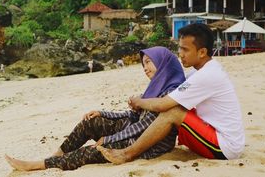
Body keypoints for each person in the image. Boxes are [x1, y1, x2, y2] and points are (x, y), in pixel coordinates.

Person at [4, 46, 185, 171]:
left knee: (92, 150)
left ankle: (36, 165)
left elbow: (144, 126)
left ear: (162, 63)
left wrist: (109, 138)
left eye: (149, 62)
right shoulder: (156, 86)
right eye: (143, 63)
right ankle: (56, 157)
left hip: (147, 146)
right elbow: (133, 116)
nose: (145, 68)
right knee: (91, 121)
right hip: (133, 132)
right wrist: (102, 113)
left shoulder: (170, 92)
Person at [97, 23, 245, 164]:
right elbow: (173, 92)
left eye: (185, 50)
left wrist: (139, 101)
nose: (180, 54)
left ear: (202, 52)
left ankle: (127, 154)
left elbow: (163, 104)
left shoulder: (207, 75)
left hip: (226, 147)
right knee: (176, 106)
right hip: (213, 133)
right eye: (179, 48)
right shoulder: (199, 71)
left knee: (173, 111)